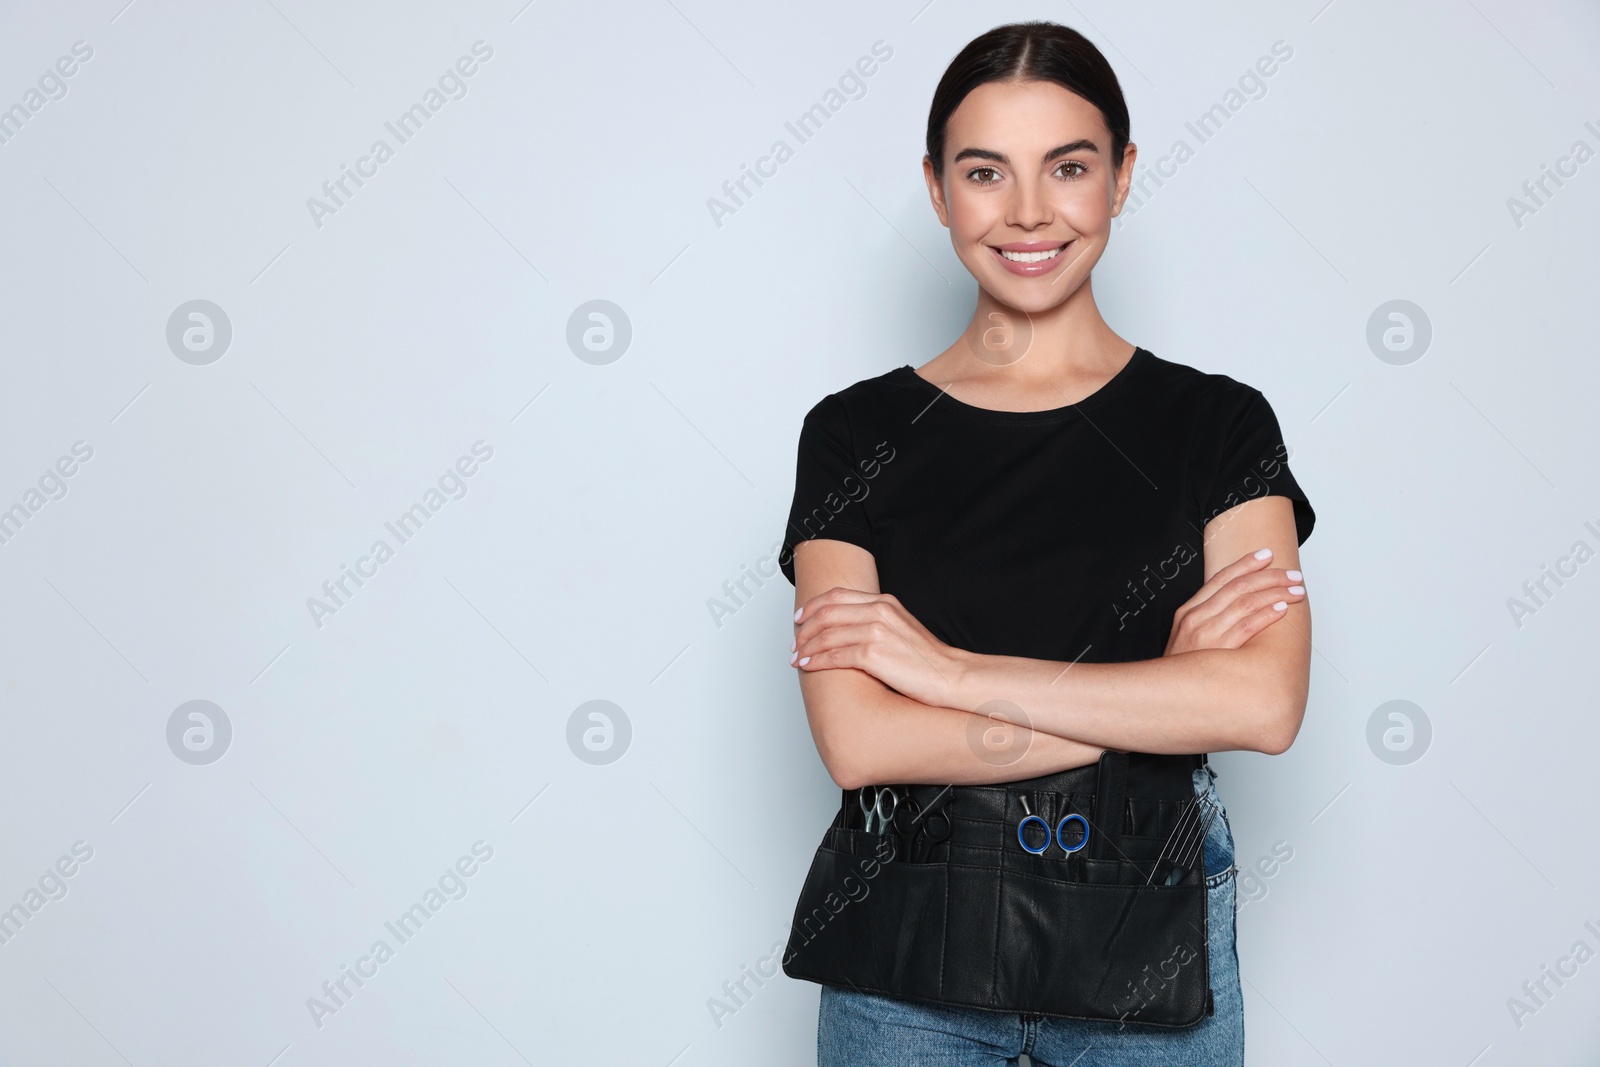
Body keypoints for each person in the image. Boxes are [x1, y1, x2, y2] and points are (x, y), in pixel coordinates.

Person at [779, 20, 1316, 1067]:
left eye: (1067, 167)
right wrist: (1158, 690)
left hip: (1149, 935)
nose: (1028, 211)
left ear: (1119, 177)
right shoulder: (850, 433)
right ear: (937, 190)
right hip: (906, 954)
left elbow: (1263, 704)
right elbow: (860, 741)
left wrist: (942, 672)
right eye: (985, 171)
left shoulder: (1221, 425)